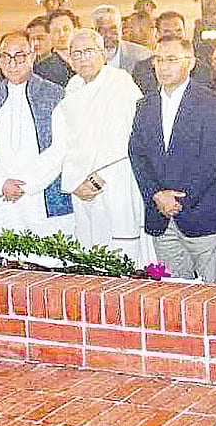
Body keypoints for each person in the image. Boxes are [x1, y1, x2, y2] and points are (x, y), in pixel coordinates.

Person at [129, 36, 216, 283]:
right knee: (173, 294)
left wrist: (180, 198)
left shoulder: (213, 103)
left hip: (201, 215)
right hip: (160, 217)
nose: (163, 67)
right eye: (159, 60)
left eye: (172, 60)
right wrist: (157, 195)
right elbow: (137, 153)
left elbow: (214, 159)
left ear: (191, 63)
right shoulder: (146, 104)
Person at [0, 32, 73, 237]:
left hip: (41, 195)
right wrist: (1, 183)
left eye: (20, 56)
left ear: (32, 56)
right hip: (1, 199)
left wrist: (26, 184)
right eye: (6, 56)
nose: (12, 63)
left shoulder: (54, 95)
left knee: (47, 263)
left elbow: (61, 148)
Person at [60, 29, 149, 263]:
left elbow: (127, 138)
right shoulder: (72, 87)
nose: (82, 58)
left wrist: (98, 178)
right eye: (76, 53)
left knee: (123, 258)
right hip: (81, 185)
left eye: (88, 51)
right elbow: (68, 142)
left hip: (115, 180)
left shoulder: (120, 82)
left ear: (103, 54)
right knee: (91, 255)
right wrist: (73, 182)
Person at [91, 4, 152, 75]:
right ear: (94, 31)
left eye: (112, 29)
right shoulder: (86, 59)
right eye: (102, 30)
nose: (108, 35)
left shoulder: (142, 55)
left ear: (120, 28)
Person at [34, 10, 78, 87]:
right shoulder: (42, 69)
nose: (62, 34)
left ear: (75, 30)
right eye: (56, 31)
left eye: (66, 29)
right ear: (49, 35)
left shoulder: (89, 59)